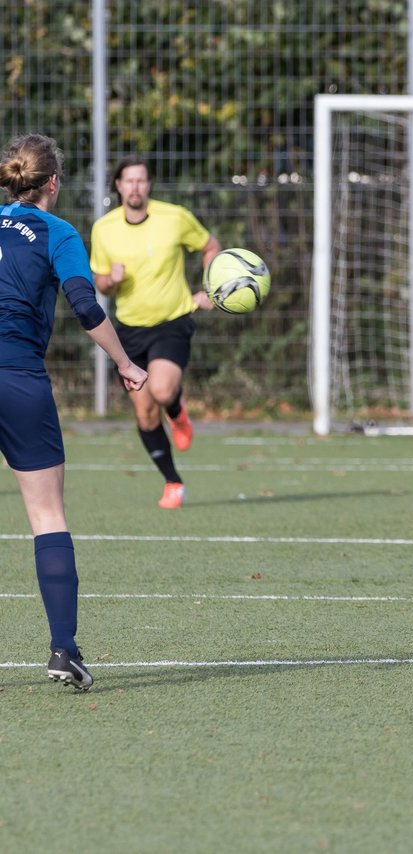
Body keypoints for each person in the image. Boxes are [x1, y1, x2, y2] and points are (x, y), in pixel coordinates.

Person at [0, 134, 149, 690]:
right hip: (18, 379)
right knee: (47, 518)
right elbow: (85, 304)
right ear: (53, 183)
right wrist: (127, 365)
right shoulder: (57, 232)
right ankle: (64, 650)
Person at [90, 157, 221, 509]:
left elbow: (211, 245)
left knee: (162, 389)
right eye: (128, 181)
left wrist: (209, 288)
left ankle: (177, 412)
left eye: (141, 180)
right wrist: (110, 280)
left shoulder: (174, 217)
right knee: (145, 414)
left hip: (172, 320)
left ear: (149, 185)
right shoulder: (104, 228)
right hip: (129, 330)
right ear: (118, 186)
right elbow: (100, 281)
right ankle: (173, 482)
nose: (134, 187)